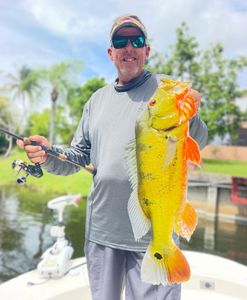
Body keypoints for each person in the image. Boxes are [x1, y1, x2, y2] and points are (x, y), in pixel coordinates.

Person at [18, 14, 208, 300]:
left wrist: (191, 113)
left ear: (147, 50)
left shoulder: (167, 89)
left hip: (150, 235)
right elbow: (79, 156)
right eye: (121, 41)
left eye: (137, 40)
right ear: (110, 52)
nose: (128, 47)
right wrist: (47, 155)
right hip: (103, 230)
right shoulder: (96, 101)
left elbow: (199, 141)